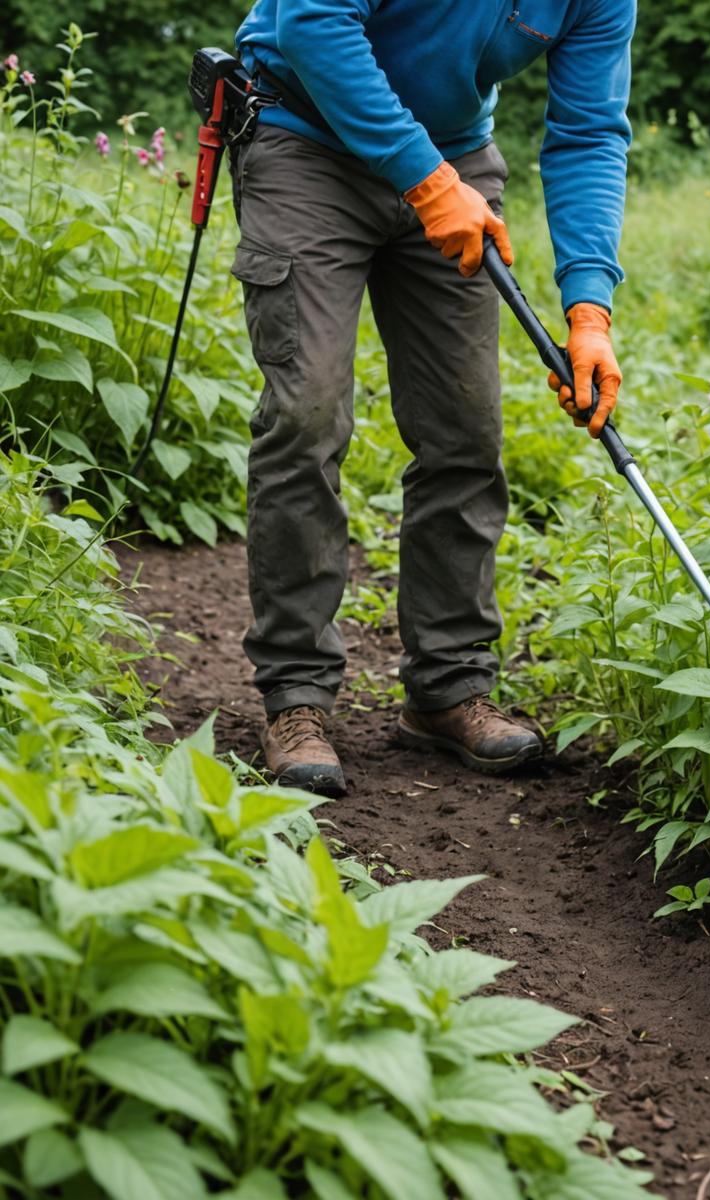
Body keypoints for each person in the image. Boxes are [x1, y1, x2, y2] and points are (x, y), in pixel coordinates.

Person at [230, 1, 635, 795]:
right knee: (306, 415)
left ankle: (448, 690)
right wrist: (421, 177)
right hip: (304, 135)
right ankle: (297, 696)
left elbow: (588, 133)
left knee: (464, 430)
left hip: (455, 157)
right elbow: (312, 24)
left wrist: (590, 311)